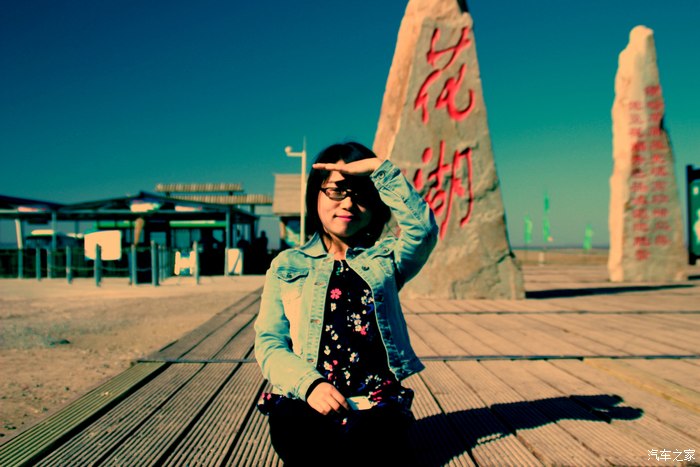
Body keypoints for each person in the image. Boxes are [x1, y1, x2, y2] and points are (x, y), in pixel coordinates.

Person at [254, 141, 438, 466]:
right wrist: (310, 385)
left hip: (375, 405)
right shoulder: (287, 265)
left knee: (371, 448)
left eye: (361, 193)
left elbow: (422, 231)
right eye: (337, 190)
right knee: (299, 435)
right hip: (308, 402)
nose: (349, 202)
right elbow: (269, 342)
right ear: (316, 194)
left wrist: (379, 170)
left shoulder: (386, 259)